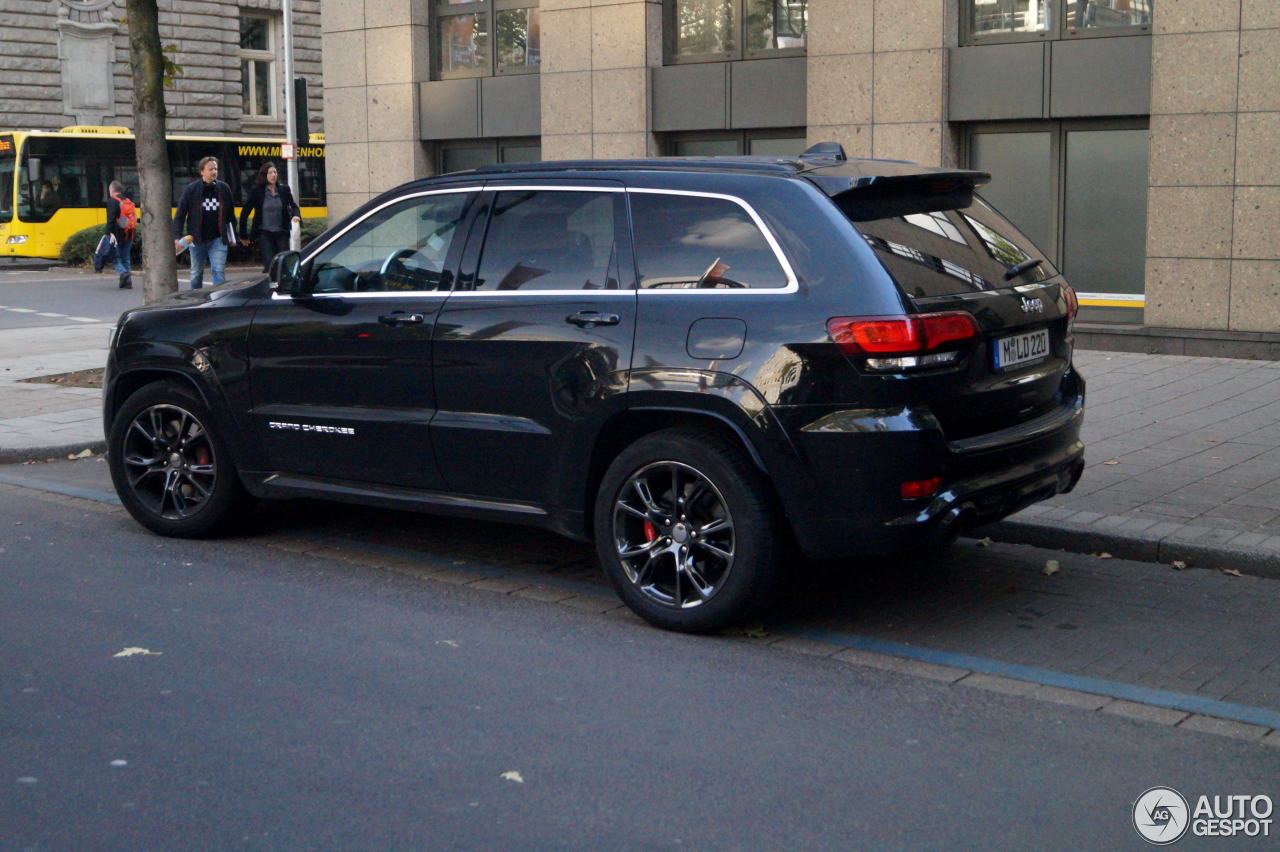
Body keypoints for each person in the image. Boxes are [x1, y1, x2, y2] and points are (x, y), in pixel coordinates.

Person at [173, 156, 237, 289]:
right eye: (210, 169)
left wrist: (232, 235)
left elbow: (231, 215)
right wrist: (177, 237)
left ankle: (219, 301)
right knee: (196, 274)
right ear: (202, 171)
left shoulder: (224, 188)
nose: (214, 172)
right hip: (197, 239)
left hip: (218, 239)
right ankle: (195, 302)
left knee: (218, 271)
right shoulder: (191, 189)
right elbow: (180, 214)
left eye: (216, 169)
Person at [238, 161, 300, 272]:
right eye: (270, 173)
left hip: (282, 232)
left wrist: (296, 216)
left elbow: (294, 206)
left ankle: (283, 286)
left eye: (275, 172)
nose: (273, 175)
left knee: (283, 263)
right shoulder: (257, 192)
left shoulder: (284, 190)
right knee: (270, 264)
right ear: (264, 175)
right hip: (264, 233)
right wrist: (243, 235)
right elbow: (245, 212)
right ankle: (271, 284)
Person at [104, 180, 134, 289]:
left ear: (111, 190)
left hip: (117, 235)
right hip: (129, 233)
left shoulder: (112, 201)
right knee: (125, 258)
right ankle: (128, 282)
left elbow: (111, 219)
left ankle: (123, 273)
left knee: (115, 258)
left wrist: (107, 233)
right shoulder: (128, 201)